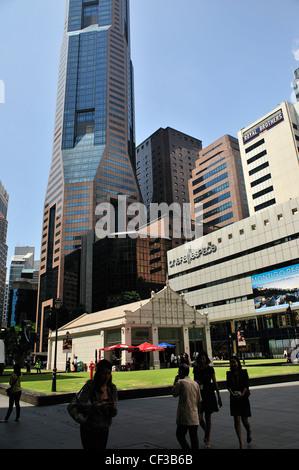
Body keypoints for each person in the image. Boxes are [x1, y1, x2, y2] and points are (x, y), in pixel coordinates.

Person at [76, 359, 117, 449]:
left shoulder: (112, 388)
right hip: (89, 428)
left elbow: (114, 413)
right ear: (98, 373)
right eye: (104, 373)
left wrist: (112, 408)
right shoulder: (90, 386)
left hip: (104, 428)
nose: (106, 377)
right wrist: (96, 406)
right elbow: (80, 405)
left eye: (109, 373)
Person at [193, 351, 222, 448]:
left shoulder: (210, 369)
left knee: (208, 416)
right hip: (199, 394)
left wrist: (219, 396)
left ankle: (208, 438)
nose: (202, 360)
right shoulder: (196, 369)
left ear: (206, 359)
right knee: (199, 417)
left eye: (203, 358)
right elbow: (194, 382)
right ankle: (206, 432)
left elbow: (215, 382)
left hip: (209, 393)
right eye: (200, 358)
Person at [172, 363, 202, 449]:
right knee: (194, 437)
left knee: (180, 435)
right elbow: (199, 400)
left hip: (185, 415)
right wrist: (199, 413)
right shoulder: (195, 383)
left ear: (181, 372)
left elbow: (174, 393)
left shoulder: (181, 383)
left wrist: (175, 381)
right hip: (194, 415)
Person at [226, 356, 252, 449]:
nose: (233, 364)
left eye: (234, 362)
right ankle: (241, 442)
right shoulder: (229, 374)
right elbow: (228, 386)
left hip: (243, 398)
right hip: (234, 399)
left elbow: (246, 385)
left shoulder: (243, 372)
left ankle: (248, 431)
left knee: (245, 420)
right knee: (236, 419)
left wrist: (242, 394)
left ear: (238, 363)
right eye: (231, 363)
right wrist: (232, 393)